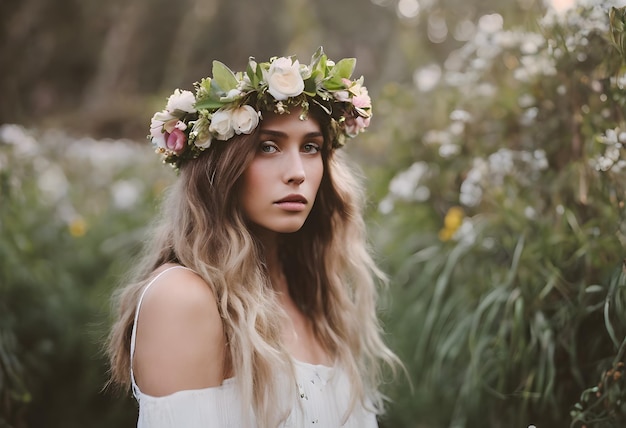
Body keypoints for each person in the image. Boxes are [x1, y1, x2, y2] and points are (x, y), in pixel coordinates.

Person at [106, 47, 400, 428]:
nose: (297, 172)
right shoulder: (185, 299)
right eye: (268, 146)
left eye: (311, 147)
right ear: (220, 169)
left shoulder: (316, 298)